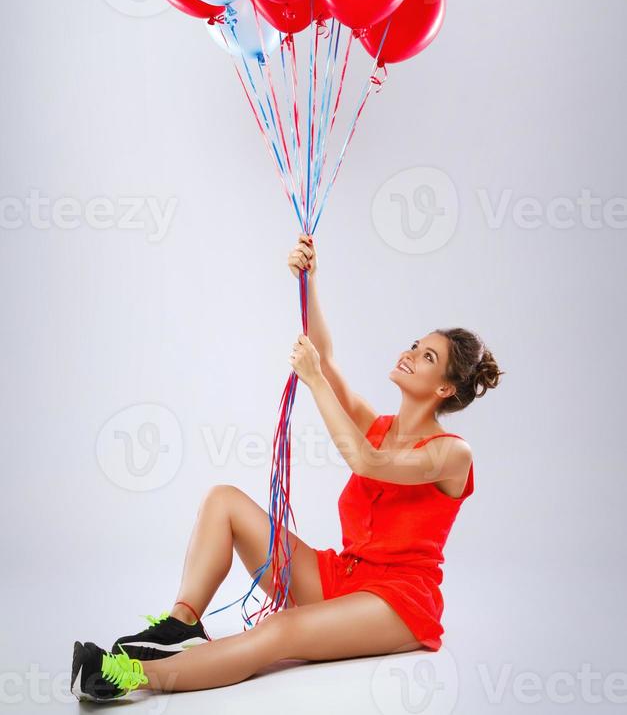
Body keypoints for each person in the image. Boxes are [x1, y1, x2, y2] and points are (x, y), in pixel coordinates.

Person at [71, 233, 504, 702]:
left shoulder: (452, 453)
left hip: (397, 601)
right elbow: (326, 359)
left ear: (444, 389)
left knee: (280, 632)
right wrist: (309, 280)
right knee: (224, 500)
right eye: (416, 344)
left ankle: (127, 675)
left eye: (427, 357)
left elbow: (367, 460)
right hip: (343, 576)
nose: (410, 353)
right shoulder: (375, 424)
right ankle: (182, 623)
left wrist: (314, 380)